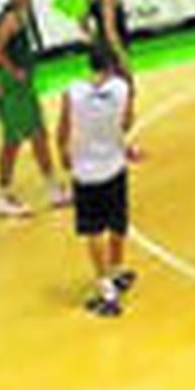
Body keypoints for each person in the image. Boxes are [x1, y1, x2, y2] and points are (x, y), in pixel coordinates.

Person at [57, 42, 136, 316]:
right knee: (117, 222)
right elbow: (125, 124)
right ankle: (116, 271)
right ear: (112, 66)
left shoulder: (72, 93)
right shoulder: (122, 90)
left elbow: (63, 132)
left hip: (86, 172)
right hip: (114, 166)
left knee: (93, 230)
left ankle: (106, 289)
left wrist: (64, 155)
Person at [0, 0, 69, 219]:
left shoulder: (18, 15)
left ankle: (52, 188)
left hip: (21, 87)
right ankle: (3, 196)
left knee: (39, 135)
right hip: (14, 87)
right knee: (13, 141)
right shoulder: (11, 18)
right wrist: (14, 72)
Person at [86, 0, 134, 95]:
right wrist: (121, 55)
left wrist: (95, 40)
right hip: (111, 51)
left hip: (100, 48)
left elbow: (82, 21)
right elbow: (110, 28)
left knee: (106, 94)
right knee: (123, 93)